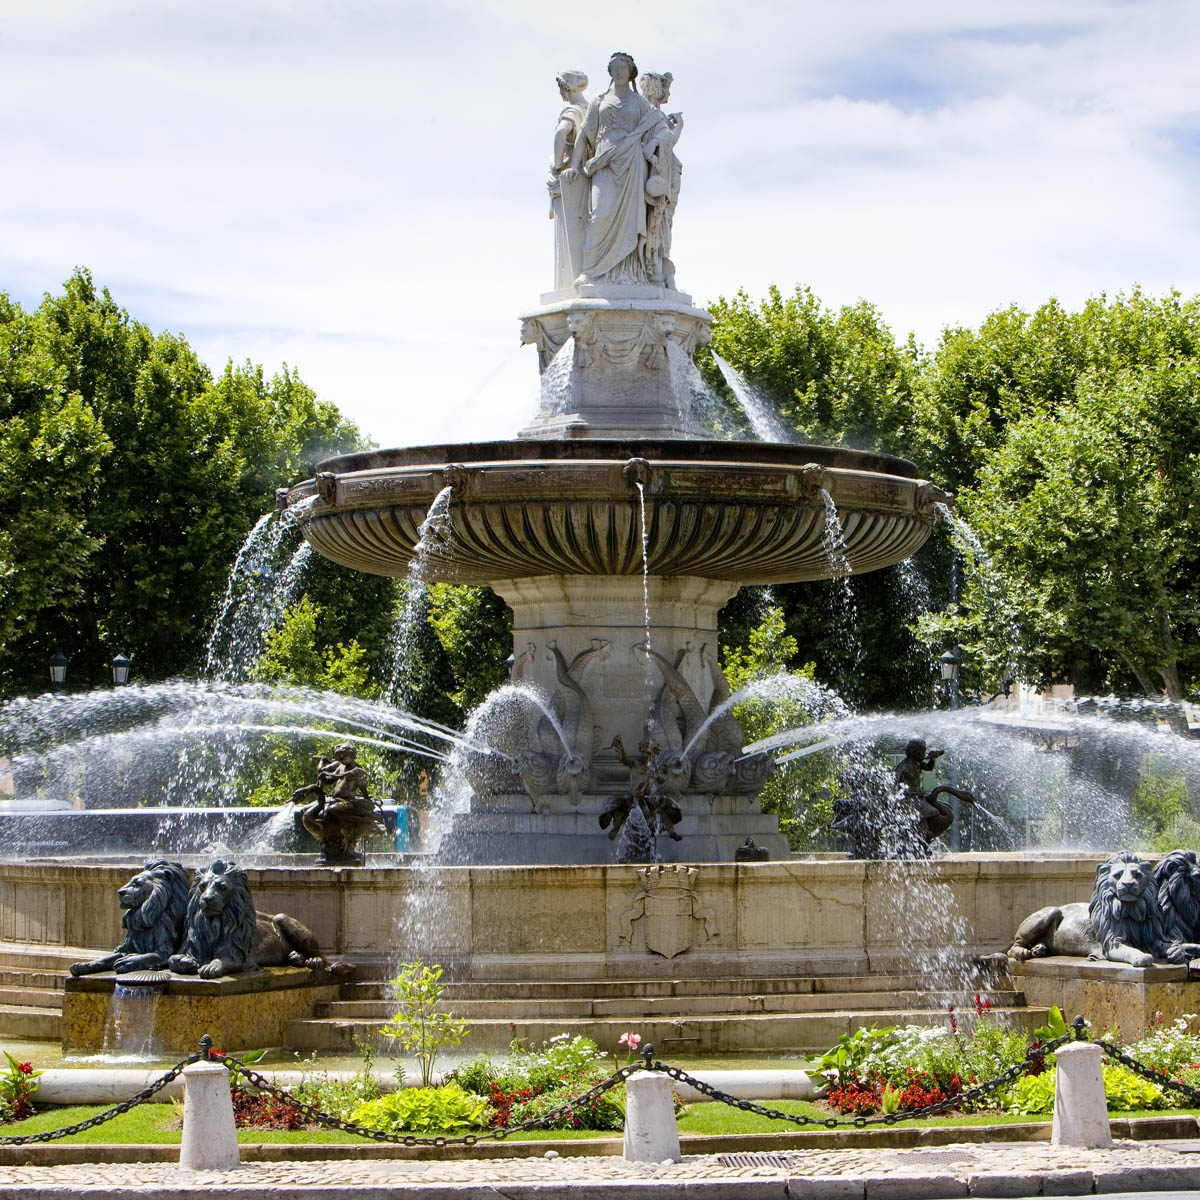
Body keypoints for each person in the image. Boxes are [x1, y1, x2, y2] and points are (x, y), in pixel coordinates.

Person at [561, 52, 666, 285]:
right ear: (610, 72)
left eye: (623, 68)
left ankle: (630, 273)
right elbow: (585, 136)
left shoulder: (640, 104)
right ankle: (590, 270)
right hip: (604, 163)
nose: (619, 72)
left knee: (631, 220)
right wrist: (576, 166)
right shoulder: (599, 101)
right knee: (599, 214)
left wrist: (654, 144)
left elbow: (661, 129)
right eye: (615, 68)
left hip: (632, 164)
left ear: (630, 73)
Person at [640, 72, 683, 289]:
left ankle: (657, 267)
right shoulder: (647, 114)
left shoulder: (656, 115)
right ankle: (651, 268)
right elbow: (663, 141)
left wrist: (678, 128)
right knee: (653, 224)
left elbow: (668, 142)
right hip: (652, 180)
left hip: (662, 179)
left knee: (661, 223)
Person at [547, 70, 589, 289]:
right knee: (582, 230)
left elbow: (561, 133)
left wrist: (556, 163)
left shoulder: (573, 110)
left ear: (568, 87)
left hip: (569, 178)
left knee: (567, 233)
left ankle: (568, 283)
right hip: (586, 177)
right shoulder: (590, 109)